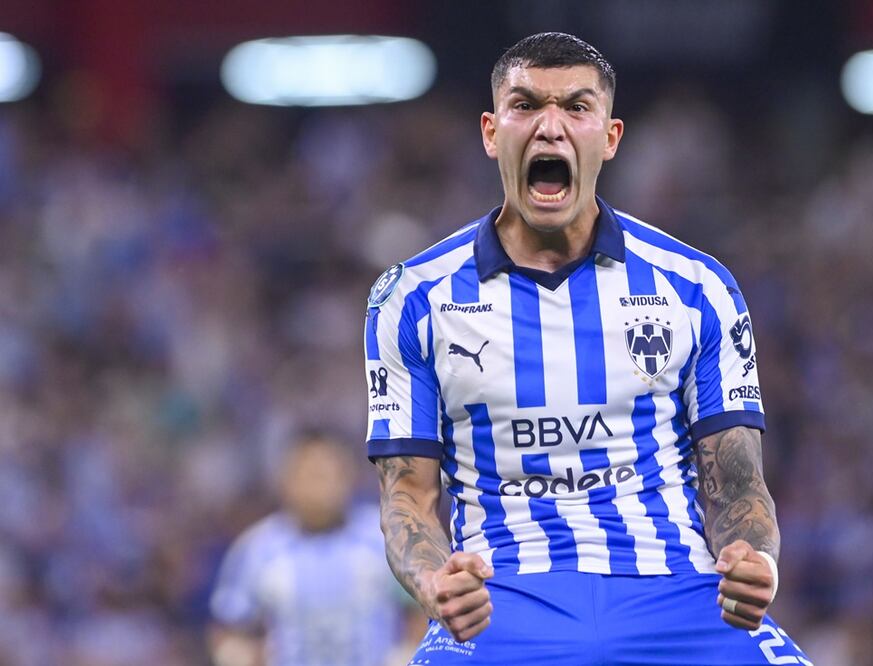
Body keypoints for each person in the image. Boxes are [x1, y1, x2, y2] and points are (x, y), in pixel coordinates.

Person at [364, 32, 813, 665]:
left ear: (610, 137)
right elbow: (406, 496)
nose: (551, 128)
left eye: (576, 107)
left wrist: (754, 558)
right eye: (526, 105)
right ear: (492, 133)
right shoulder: (412, 297)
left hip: (677, 595)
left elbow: (738, 484)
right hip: (503, 601)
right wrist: (437, 581)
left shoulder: (696, 288)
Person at [207, 429, 412, 666]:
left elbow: (418, 614)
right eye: (309, 475)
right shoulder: (257, 549)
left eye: (325, 475)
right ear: (286, 481)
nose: (318, 487)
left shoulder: (384, 538)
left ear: (348, 476)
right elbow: (230, 627)